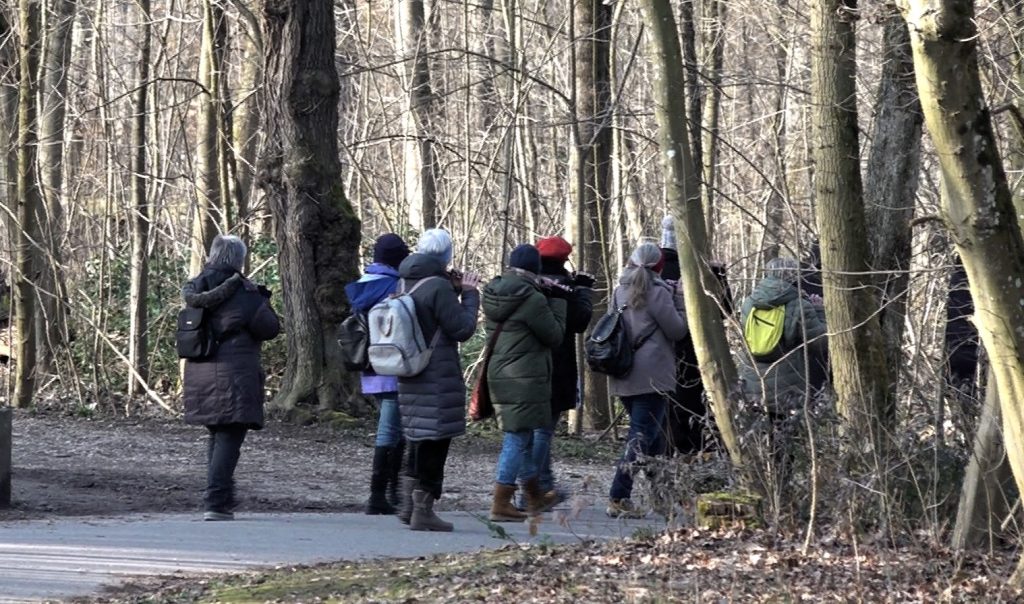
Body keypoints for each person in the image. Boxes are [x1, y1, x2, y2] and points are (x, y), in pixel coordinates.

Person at [182, 234, 281, 521]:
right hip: (234, 374)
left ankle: (220, 496)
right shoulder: (246, 293)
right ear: (239, 260)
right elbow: (270, 328)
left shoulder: (195, 287)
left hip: (200, 372)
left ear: (212, 255)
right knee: (229, 435)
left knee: (218, 433)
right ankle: (217, 501)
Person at [396, 228, 480, 531]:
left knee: (418, 437)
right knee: (435, 441)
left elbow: (428, 315)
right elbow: (462, 329)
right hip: (436, 373)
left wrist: (451, 290)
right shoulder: (438, 287)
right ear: (446, 255)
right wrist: (469, 294)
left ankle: (409, 506)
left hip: (409, 370)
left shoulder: (405, 280)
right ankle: (423, 510)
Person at [482, 244, 568, 521]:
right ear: (535, 269)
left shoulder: (493, 291)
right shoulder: (532, 298)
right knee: (517, 438)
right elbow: (554, 335)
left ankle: (534, 497)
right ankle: (501, 503)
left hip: (499, 373)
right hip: (525, 377)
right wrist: (558, 299)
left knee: (525, 437)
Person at [606, 241, 689, 518]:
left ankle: (660, 495)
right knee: (642, 436)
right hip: (652, 374)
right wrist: (680, 300)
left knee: (651, 436)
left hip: (623, 370)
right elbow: (677, 331)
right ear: (660, 267)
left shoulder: (619, 289)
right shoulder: (658, 292)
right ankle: (619, 496)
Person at [512, 236, 594, 511]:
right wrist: (583, 291)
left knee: (532, 431)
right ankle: (532, 491)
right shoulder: (563, 289)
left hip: (524, 365)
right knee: (543, 430)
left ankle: (542, 485)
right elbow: (579, 321)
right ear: (564, 259)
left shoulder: (526, 285)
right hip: (557, 367)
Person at [739, 257, 827, 487]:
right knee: (783, 441)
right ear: (792, 276)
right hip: (786, 387)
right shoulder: (798, 305)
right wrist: (820, 311)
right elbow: (819, 341)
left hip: (753, 383)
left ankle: (759, 485)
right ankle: (781, 488)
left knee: (758, 437)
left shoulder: (749, 302)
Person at [344, 233, 412, 515]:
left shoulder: (363, 284)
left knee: (394, 427)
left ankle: (391, 492)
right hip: (393, 361)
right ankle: (379, 495)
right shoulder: (395, 286)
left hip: (370, 363)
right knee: (391, 428)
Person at [658, 216, 732, 458]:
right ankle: (686, 450)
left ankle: (670, 452)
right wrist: (718, 276)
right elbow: (726, 310)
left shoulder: (650, 267)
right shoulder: (699, 269)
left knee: (669, 402)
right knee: (688, 401)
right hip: (689, 349)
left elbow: (724, 311)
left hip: (663, 348)